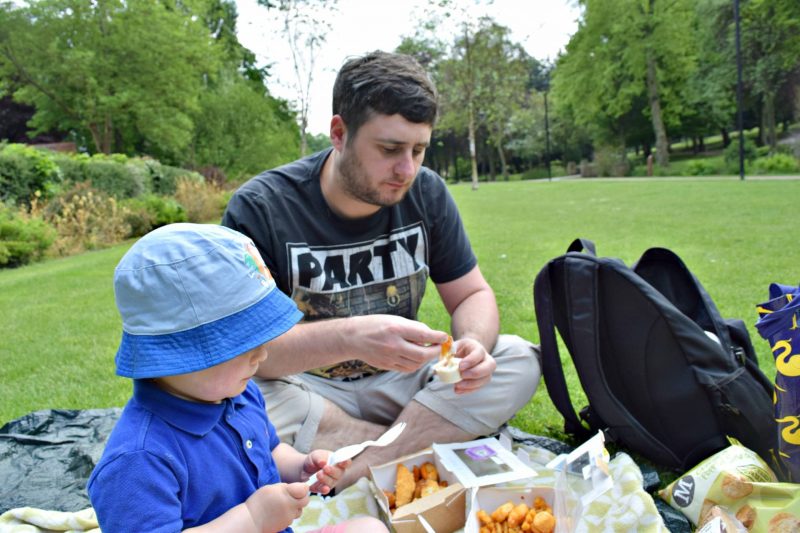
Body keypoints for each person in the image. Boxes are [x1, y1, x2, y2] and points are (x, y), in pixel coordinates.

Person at [221, 50, 542, 489]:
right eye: (390, 149)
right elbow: (249, 351)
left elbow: (471, 294)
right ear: (339, 133)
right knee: (231, 397)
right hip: (307, 390)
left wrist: (471, 346)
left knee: (517, 359)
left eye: (418, 150)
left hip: (405, 382)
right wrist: (350, 337)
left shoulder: (427, 193)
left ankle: (357, 462)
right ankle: (424, 447)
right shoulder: (262, 208)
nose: (406, 169)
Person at [87, 223, 388, 533]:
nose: (262, 354)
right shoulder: (139, 460)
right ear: (179, 355)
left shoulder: (238, 395)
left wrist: (300, 467)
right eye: (244, 343)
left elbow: (269, 450)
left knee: (368, 529)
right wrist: (253, 519)